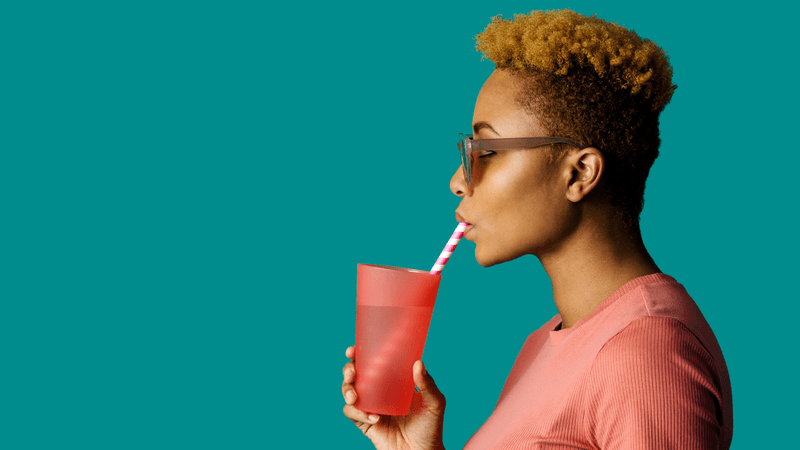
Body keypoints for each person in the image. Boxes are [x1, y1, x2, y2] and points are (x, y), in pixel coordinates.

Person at [341, 9, 733, 450]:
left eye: (485, 151)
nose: (458, 180)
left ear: (579, 173)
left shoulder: (647, 352)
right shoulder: (546, 344)